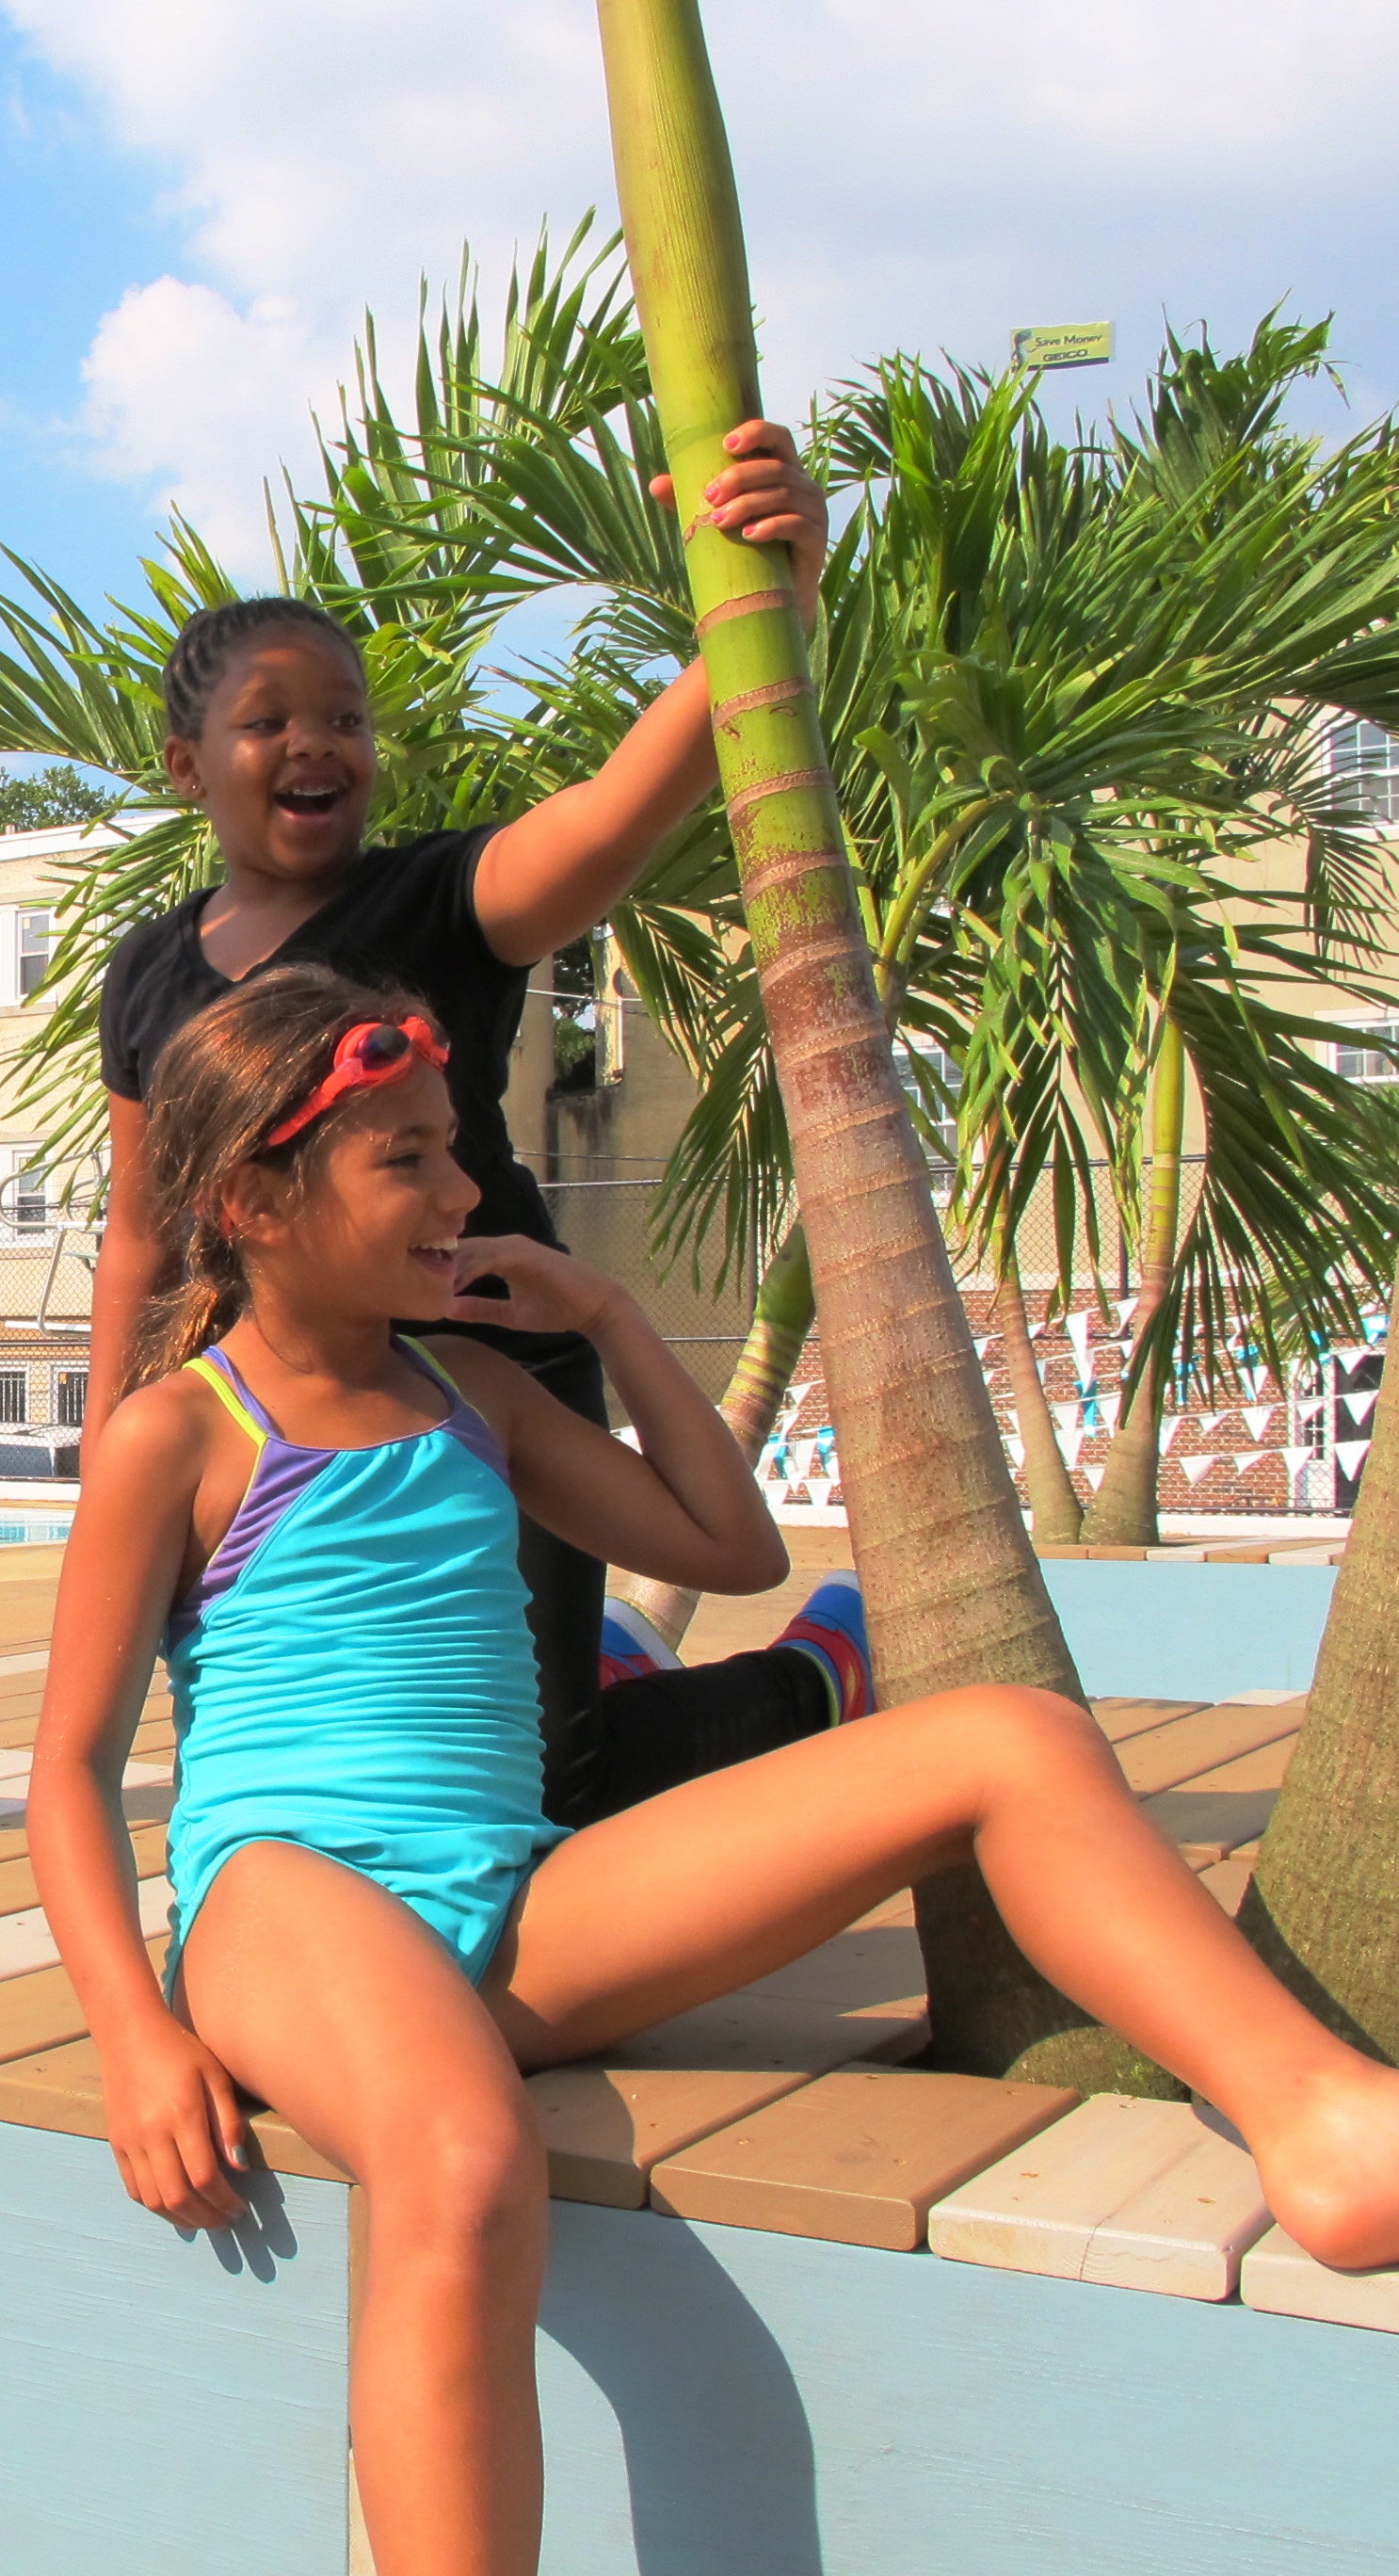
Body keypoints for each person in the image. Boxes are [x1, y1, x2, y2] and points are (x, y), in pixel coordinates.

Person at [31, 967, 1399, 2576]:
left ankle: (1325, 2124)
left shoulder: (472, 1394)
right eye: (403, 1157)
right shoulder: (179, 1432)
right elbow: (65, 1769)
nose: (463, 1189)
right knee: (463, 2157)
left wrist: (604, 1321)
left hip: (514, 1896)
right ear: (252, 1199)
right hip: (291, 1895)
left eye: (452, 1147)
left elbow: (726, 1548)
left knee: (1007, 1741)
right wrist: (133, 2031)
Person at [88, 420, 862, 1827]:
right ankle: (601, 1660)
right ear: (185, 764)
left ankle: (811, 1679)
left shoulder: (452, 899)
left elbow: (625, 811)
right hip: (270, 1410)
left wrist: (771, 604)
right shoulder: (148, 970)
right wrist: (107, 1446)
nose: (317, 744)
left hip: (486, 1371)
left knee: (551, 1780)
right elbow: (140, 1227)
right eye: (268, 721)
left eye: (345, 719)